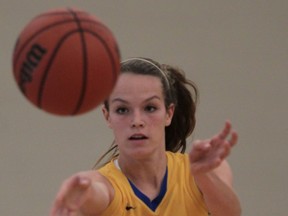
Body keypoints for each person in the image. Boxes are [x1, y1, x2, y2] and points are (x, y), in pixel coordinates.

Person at [50, 57, 241, 216]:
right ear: (108, 117)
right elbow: (92, 190)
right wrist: (80, 190)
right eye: (122, 109)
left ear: (168, 113)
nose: (137, 121)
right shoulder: (105, 185)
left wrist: (203, 174)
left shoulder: (201, 172)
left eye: (150, 108)